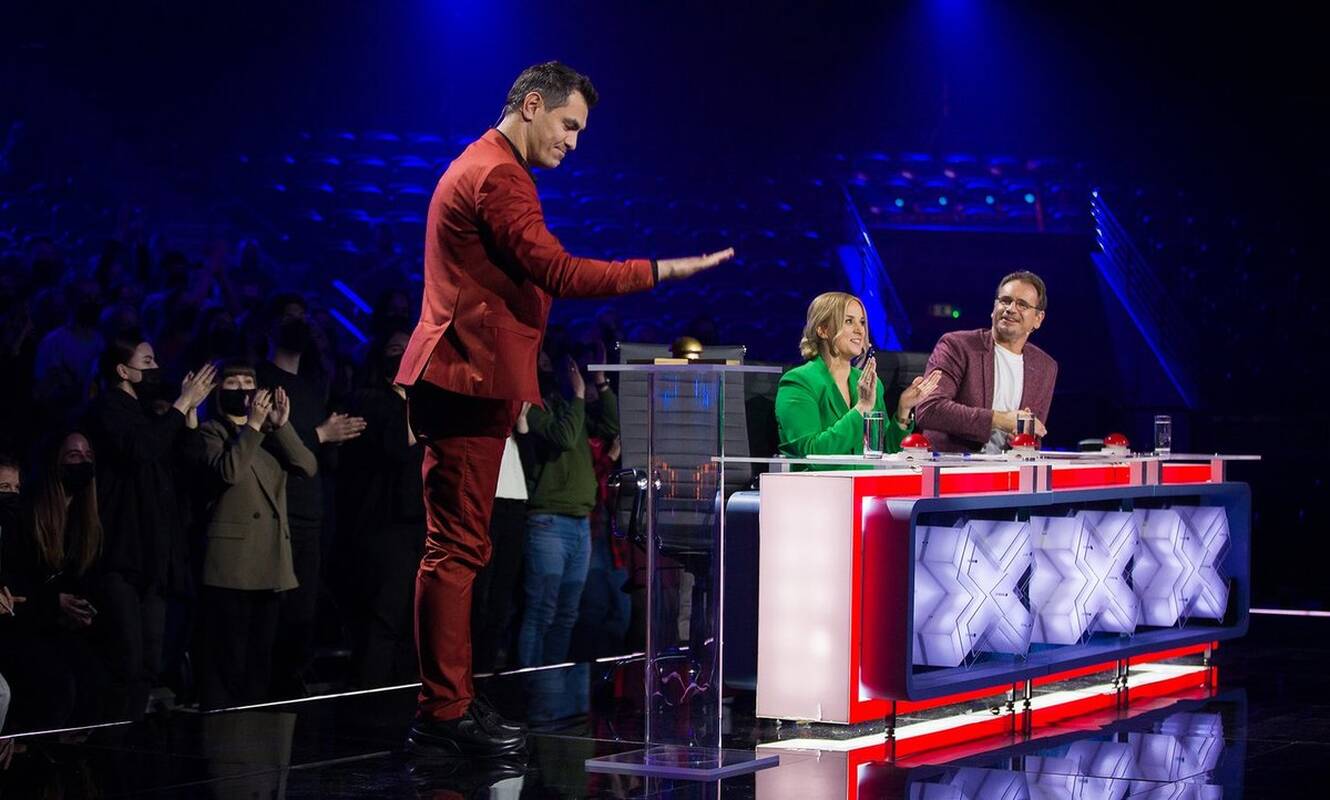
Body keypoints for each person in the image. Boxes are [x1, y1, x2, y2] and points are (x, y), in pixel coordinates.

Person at [395, 60, 733, 758]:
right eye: (568, 125)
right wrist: (662, 270)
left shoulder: (485, 166)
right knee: (456, 549)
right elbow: (560, 270)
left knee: (460, 547)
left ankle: (450, 702)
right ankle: (442, 712)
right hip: (466, 378)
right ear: (531, 104)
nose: (574, 142)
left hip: (469, 377)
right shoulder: (498, 175)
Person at [85, 331, 216, 720]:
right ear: (122, 371)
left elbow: (187, 463)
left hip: (154, 553)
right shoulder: (108, 409)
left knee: (149, 660)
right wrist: (181, 404)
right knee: (126, 657)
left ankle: (133, 731)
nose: (156, 368)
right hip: (122, 551)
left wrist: (189, 415)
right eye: (147, 362)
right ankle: (111, 734)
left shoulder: (148, 413)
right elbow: (140, 450)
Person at [255, 293, 365, 698]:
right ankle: (263, 691)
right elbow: (268, 443)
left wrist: (338, 436)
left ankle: (291, 686)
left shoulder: (312, 386)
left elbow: (321, 455)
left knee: (303, 606)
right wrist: (321, 434)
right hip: (274, 510)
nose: (298, 323)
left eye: (303, 316)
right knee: (273, 605)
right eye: (289, 317)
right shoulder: (259, 377)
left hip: (310, 510)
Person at [193, 361, 317, 711]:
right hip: (232, 563)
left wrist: (282, 425)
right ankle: (223, 724)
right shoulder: (211, 432)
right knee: (229, 655)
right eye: (233, 383)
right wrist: (252, 427)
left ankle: (255, 722)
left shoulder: (269, 434)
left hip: (269, 558)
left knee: (260, 657)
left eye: (248, 382)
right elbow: (229, 472)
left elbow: (307, 466)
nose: (243, 389)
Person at [515, 343, 619, 668]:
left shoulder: (569, 408)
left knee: (567, 613)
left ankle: (551, 678)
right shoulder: (532, 408)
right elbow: (564, 437)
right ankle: (530, 681)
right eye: (543, 365)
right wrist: (578, 396)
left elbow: (612, 428)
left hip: (580, 522)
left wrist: (601, 383)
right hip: (548, 522)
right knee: (542, 610)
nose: (549, 370)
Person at [0, 433, 112, 730]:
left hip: (46, 622)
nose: (11, 495)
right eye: (74, 455)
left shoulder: (85, 520)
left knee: (93, 679)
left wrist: (78, 610)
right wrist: (52, 603)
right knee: (53, 685)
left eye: (88, 456)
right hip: (19, 625)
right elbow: (21, 585)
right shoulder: (25, 517)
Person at [338, 330, 425, 688]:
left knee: (412, 616)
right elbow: (398, 446)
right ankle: (370, 693)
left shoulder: (423, 400)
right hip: (383, 523)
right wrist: (413, 401)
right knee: (383, 613)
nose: (404, 354)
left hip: (419, 521)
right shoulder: (368, 399)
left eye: (409, 348)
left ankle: (404, 692)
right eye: (395, 348)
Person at [776, 292, 941, 467]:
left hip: (865, 482)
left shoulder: (871, 384)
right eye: (849, 321)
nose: (860, 330)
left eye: (862, 322)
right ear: (823, 330)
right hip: (820, 483)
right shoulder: (798, 382)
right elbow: (810, 454)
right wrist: (862, 407)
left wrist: (904, 409)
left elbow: (885, 451)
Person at [914, 271, 1058, 453]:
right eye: (1005, 301)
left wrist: (1022, 438)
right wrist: (999, 420)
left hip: (1009, 468)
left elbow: (1034, 436)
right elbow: (929, 409)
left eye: (1022, 304)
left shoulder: (1045, 367)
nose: (1011, 309)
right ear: (994, 308)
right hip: (953, 465)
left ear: (1038, 319)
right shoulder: (957, 346)